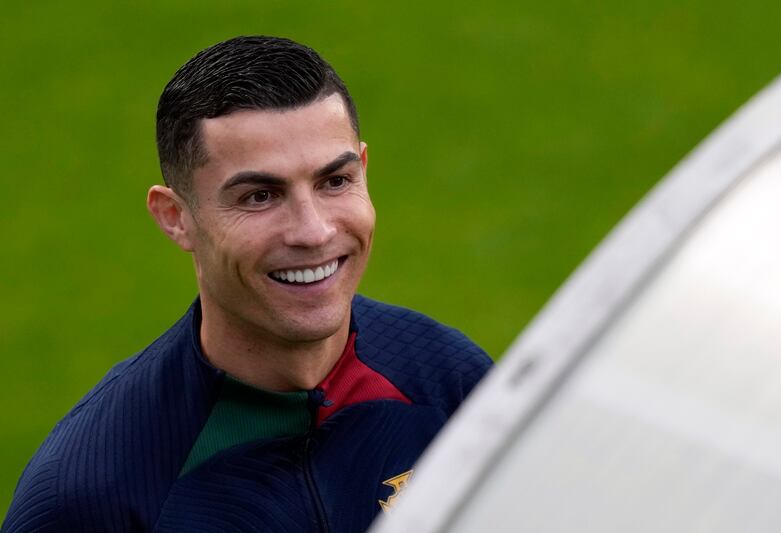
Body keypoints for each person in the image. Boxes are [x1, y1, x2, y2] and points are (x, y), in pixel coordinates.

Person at [2, 36, 491, 533]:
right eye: (260, 196)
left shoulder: (453, 384)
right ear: (176, 218)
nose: (314, 231)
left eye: (335, 182)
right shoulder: (88, 497)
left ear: (363, 170)